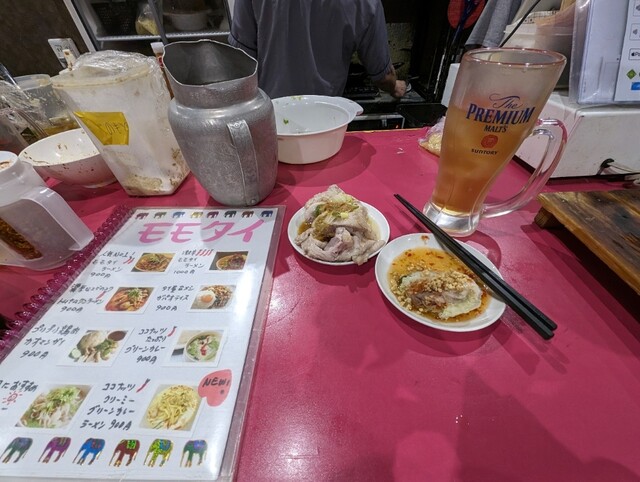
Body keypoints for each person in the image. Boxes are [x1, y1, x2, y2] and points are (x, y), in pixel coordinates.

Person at [228, 0, 407, 99]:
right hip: (325, 123)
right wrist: (394, 86)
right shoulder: (367, 3)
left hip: (269, 118)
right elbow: (383, 76)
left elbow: (240, 62)